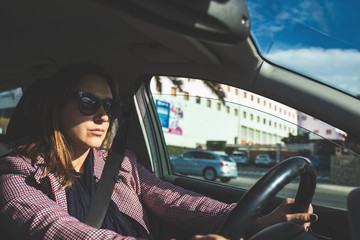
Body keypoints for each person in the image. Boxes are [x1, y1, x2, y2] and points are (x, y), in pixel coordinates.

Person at [0, 63, 317, 240]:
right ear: (58, 106)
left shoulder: (120, 164)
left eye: (110, 106)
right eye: (88, 102)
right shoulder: (17, 174)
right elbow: (57, 229)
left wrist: (253, 218)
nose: (103, 116)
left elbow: (178, 201)